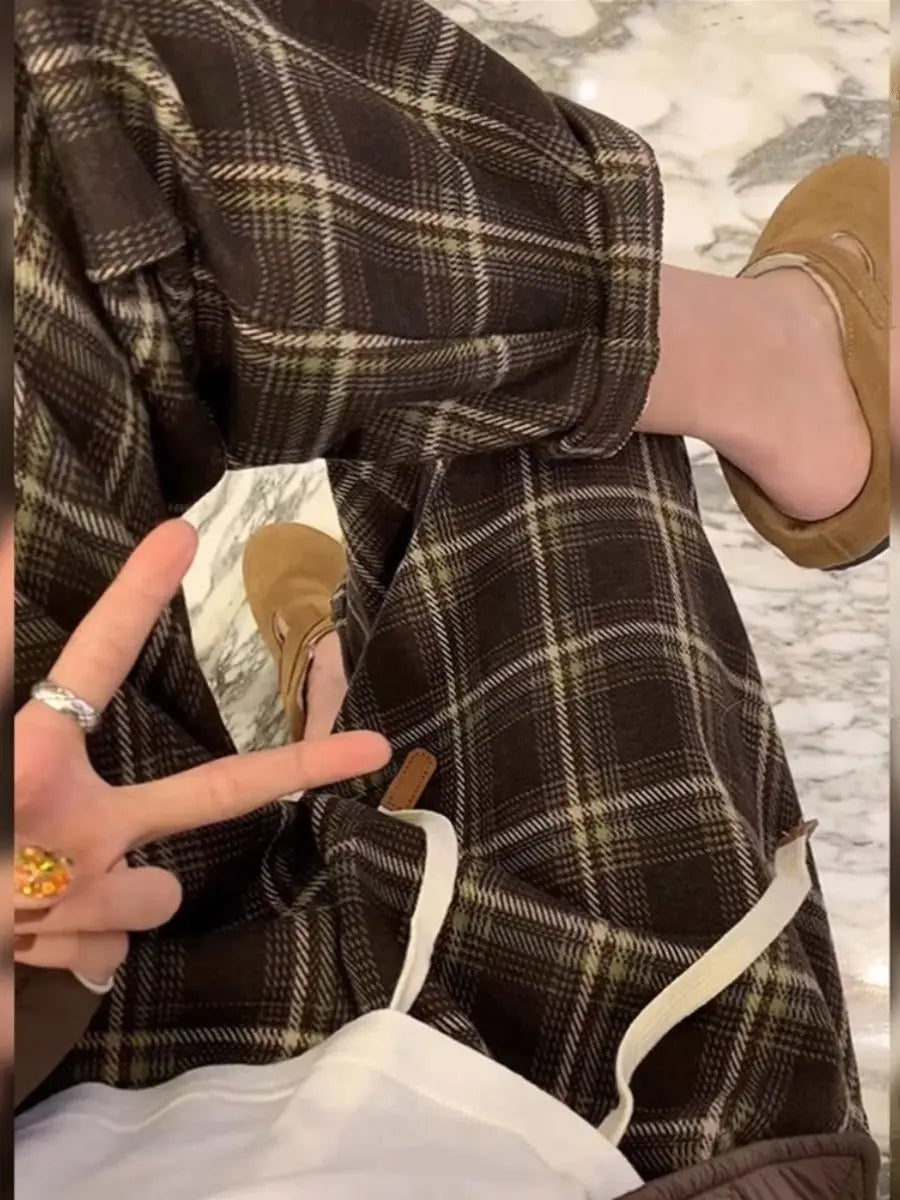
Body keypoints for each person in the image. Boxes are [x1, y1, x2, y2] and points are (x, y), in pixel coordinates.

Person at [13, 0, 886, 1195]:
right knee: (491, 421)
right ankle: (778, 370)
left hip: (70, 982)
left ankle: (301, 668)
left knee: (57, 128)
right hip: (533, 1107)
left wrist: (35, 936)